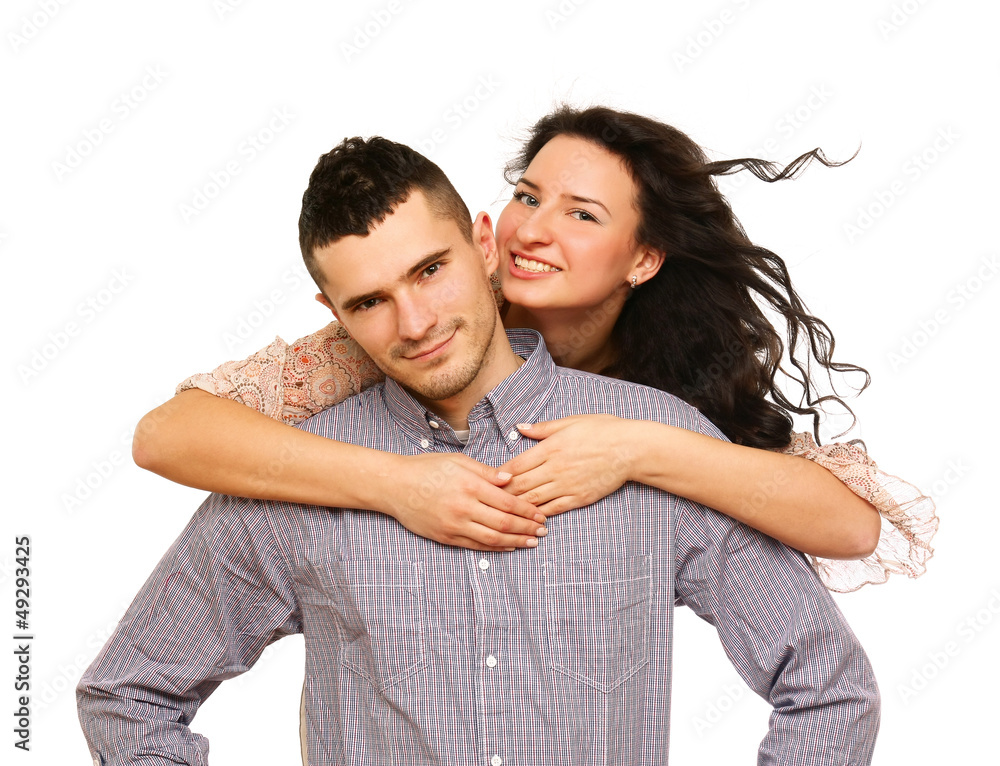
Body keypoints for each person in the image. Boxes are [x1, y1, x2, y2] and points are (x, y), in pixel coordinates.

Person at [78, 136, 880, 764]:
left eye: (431, 270)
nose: (416, 322)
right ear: (333, 312)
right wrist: (393, 486)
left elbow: (828, 686)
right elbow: (129, 694)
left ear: (484, 246)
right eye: (370, 301)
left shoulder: (649, 442)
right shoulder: (297, 475)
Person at [133, 106, 936, 592]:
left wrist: (638, 448)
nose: (533, 231)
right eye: (527, 196)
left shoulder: (669, 377)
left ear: (643, 258)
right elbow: (168, 434)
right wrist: (396, 485)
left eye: (581, 214)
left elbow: (850, 527)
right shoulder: (429, 321)